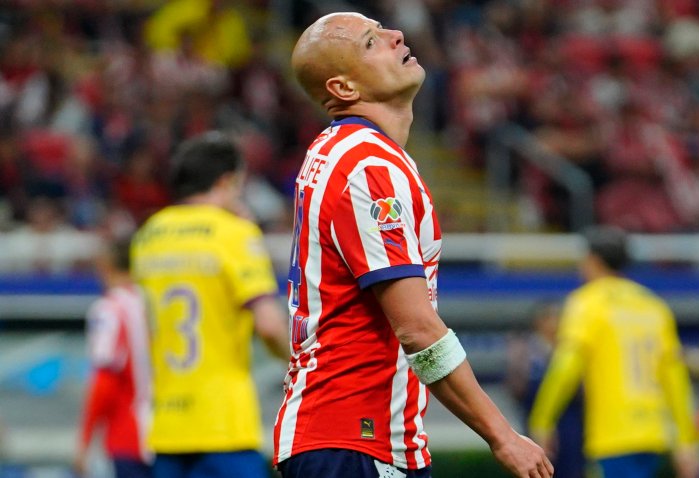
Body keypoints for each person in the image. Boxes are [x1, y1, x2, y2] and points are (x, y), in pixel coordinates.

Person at [272, 12, 553, 478]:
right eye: (370, 42)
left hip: (351, 436)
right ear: (343, 89)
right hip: (354, 437)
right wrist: (503, 436)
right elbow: (418, 329)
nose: (394, 35)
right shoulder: (368, 165)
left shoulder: (344, 151)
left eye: (383, 28)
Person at [131, 132, 290, 478]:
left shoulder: (147, 236)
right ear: (226, 180)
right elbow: (269, 324)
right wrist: (295, 363)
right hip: (224, 424)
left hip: (167, 427)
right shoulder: (233, 233)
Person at [528, 227, 699, 478]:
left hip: (612, 435)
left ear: (593, 260)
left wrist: (542, 420)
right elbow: (675, 376)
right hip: (653, 434)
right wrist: (686, 440)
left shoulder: (587, 303)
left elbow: (566, 365)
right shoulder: (653, 306)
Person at [75, 237, 152, 478]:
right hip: (172, 431)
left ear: (105, 266)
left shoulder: (110, 310)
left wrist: (84, 442)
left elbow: (105, 380)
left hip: (129, 436)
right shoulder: (155, 304)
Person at [506, 302, 585, 478]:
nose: (554, 323)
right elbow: (516, 387)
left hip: (569, 423)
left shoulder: (571, 349)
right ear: (538, 322)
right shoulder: (526, 349)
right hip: (534, 419)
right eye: (549, 318)